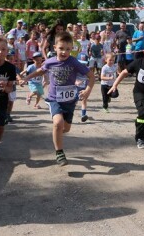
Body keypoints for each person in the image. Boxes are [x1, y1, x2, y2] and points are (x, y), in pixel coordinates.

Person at [20, 32, 94, 166]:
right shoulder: (50, 61)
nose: (64, 52)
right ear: (55, 48)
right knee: (58, 123)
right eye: (61, 48)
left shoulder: (74, 62)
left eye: (67, 49)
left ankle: (57, 134)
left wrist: (87, 90)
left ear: (72, 49)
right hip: (54, 99)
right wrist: (26, 78)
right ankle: (59, 153)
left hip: (70, 101)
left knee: (66, 129)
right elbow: (40, 71)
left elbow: (91, 76)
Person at [108, 41, 144, 149]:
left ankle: (141, 134)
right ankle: (140, 138)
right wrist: (115, 85)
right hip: (139, 92)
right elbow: (124, 72)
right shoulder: (138, 62)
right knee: (143, 111)